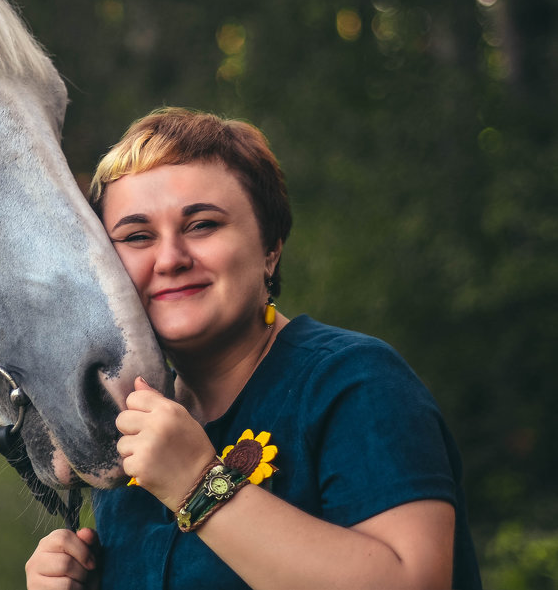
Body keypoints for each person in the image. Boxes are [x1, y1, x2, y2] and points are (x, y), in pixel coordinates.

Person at [25, 107, 481, 590]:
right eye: (137, 236)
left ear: (270, 247)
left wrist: (199, 484)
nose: (171, 258)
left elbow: (415, 582)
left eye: (202, 225)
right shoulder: (127, 421)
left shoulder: (356, 383)